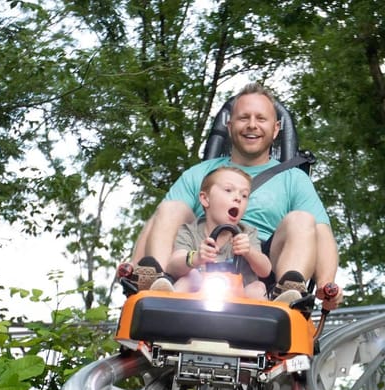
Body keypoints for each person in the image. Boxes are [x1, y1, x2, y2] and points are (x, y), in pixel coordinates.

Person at [125, 81, 343, 310]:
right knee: (170, 207)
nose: (252, 125)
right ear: (229, 126)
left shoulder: (294, 179)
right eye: (243, 118)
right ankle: (156, 283)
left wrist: (327, 285)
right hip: (199, 257)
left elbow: (322, 233)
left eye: (261, 118)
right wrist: (133, 267)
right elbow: (157, 222)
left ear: (276, 128)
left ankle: (288, 292)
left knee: (303, 219)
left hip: (262, 269)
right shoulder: (199, 174)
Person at [152, 166, 270, 300]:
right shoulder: (190, 231)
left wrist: (249, 252)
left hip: (240, 300)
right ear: (205, 199)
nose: (238, 198)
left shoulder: (247, 233)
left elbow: (265, 270)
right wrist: (196, 257)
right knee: (188, 279)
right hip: (197, 298)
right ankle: (163, 300)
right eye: (228, 190)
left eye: (244, 195)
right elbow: (173, 266)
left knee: (257, 287)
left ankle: (278, 309)